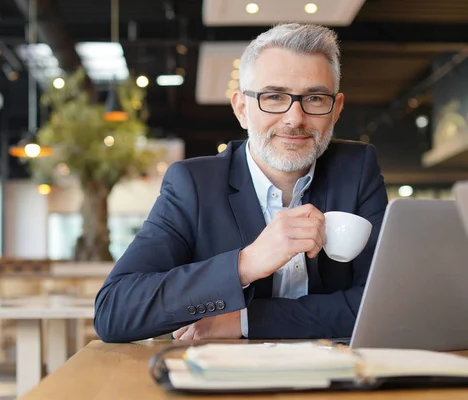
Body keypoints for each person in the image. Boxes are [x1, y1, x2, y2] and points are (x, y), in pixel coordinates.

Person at [93, 23, 388, 343]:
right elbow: (115, 312)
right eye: (274, 97)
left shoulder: (357, 170)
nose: (295, 119)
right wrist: (245, 264)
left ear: (336, 109)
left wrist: (246, 321)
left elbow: (384, 304)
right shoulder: (193, 185)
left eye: (314, 98)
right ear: (241, 109)